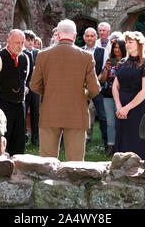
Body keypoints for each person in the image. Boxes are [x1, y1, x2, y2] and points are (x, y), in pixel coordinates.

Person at [30, 19, 100, 161]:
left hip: (50, 111)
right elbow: (94, 88)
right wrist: (84, 96)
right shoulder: (86, 56)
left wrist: (49, 93)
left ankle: (47, 183)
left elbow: (34, 85)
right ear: (74, 36)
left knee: (47, 162)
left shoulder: (43, 55)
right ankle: (74, 183)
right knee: (75, 164)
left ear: (59, 35)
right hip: (76, 112)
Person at [0, 29, 30, 156]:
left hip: (20, 106)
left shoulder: (25, 58)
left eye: (22, 43)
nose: (20, 46)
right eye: (17, 43)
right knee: (2, 142)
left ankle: (17, 170)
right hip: (2, 106)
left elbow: (23, 81)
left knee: (19, 142)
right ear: (8, 41)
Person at [112, 31, 145, 160]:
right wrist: (118, 106)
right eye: (126, 42)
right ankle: (120, 169)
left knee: (135, 138)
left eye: (130, 42)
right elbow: (115, 86)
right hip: (120, 106)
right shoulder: (122, 63)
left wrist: (127, 108)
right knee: (122, 137)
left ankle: (139, 171)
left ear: (139, 44)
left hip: (137, 107)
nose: (126, 44)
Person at [98, 38, 126, 156]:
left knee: (121, 120)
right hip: (108, 94)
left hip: (122, 95)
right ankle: (111, 145)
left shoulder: (127, 62)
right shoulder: (110, 61)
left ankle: (122, 145)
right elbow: (101, 80)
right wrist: (106, 69)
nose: (117, 50)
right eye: (115, 47)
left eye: (119, 47)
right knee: (110, 121)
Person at [83, 27, 109, 152]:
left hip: (97, 88)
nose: (89, 38)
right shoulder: (80, 51)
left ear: (96, 37)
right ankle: (82, 140)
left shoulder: (102, 51)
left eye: (92, 36)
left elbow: (105, 69)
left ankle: (107, 144)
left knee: (103, 116)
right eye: (87, 36)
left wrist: (95, 82)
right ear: (84, 37)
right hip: (83, 89)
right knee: (82, 115)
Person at [23, 30, 40, 146]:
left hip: (36, 87)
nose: (30, 42)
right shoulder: (21, 53)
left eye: (32, 40)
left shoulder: (38, 53)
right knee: (23, 113)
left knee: (36, 113)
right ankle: (23, 137)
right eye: (28, 40)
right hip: (25, 87)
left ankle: (35, 138)